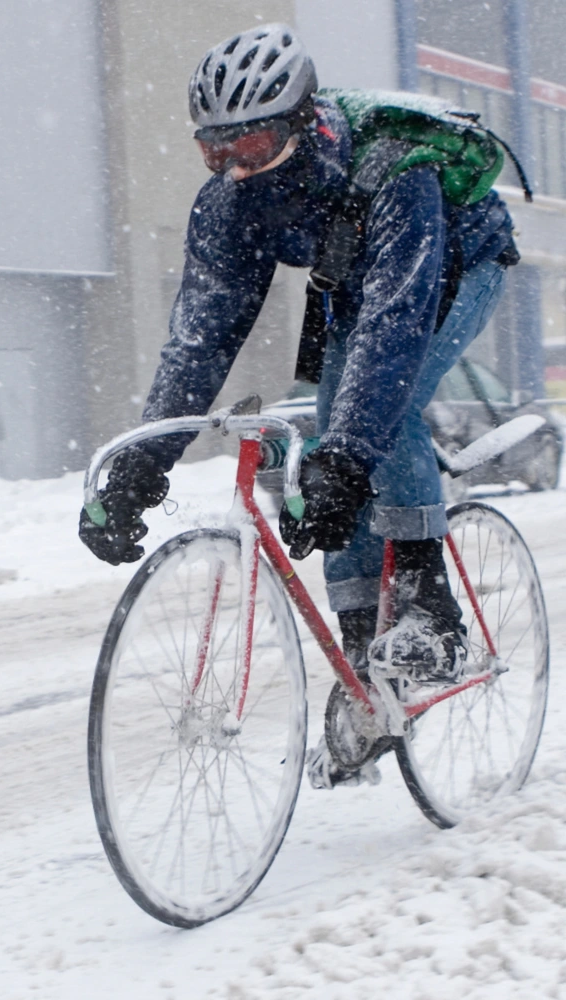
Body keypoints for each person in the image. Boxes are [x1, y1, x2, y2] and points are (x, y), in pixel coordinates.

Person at [78, 24, 518, 786]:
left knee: (383, 407)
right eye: (217, 153)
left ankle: (427, 609)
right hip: (358, 274)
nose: (237, 171)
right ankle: (364, 671)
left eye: (253, 148)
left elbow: (393, 332)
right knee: (327, 442)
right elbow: (198, 344)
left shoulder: (393, 173)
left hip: (455, 257)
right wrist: (138, 468)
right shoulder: (228, 208)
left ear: (304, 124)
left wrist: (349, 463)